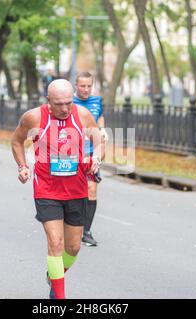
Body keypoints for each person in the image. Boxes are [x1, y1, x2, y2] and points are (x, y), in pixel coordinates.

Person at [11, 79, 102, 299]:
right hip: (47, 190)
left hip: (77, 189)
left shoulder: (82, 115)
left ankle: (55, 274)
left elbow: (98, 141)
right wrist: (23, 166)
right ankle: (58, 298)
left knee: (73, 248)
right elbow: (16, 141)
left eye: (68, 103)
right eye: (59, 104)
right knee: (56, 243)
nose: (64, 109)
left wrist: (96, 156)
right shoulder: (34, 117)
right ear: (48, 101)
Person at [73, 71, 107, 247]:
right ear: (75, 86)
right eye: (82, 86)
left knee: (91, 189)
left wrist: (102, 129)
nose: (86, 89)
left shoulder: (96, 101)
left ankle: (86, 232)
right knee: (73, 191)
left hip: (91, 153)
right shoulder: (68, 102)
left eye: (89, 86)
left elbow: (99, 116)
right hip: (70, 152)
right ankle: (71, 226)